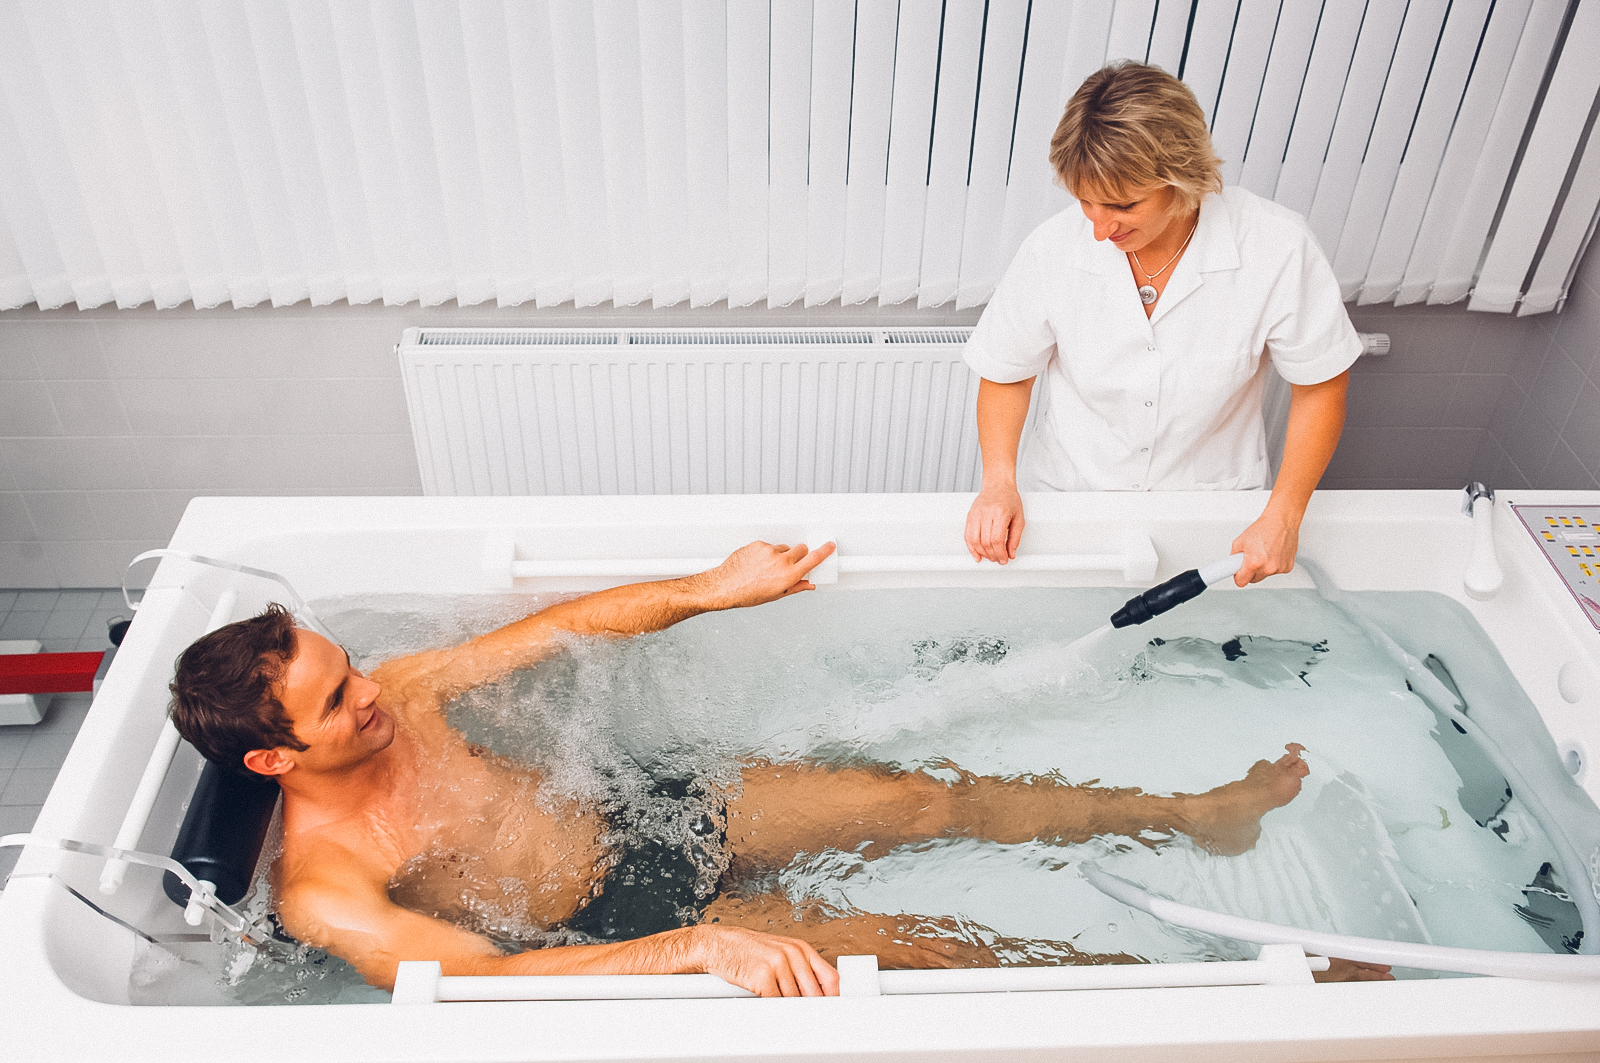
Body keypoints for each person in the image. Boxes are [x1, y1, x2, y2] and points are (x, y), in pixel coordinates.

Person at [168, 539, 1388, 995]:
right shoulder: (328, 888)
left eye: (353, 666)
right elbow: (489, 983)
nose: (375, 687)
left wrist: (712, 588)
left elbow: (561, 632)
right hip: (625, 917)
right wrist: (696, 945)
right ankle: (1228, 994)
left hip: (646, 809)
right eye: (340, 698)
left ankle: (1200, 816)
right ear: (276, 755)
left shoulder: (405, 689)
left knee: (924, 795)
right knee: (924, 945)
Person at [964, 62, 1360, 586]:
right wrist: (998, 483)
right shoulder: (1052, 248)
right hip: (1070, 497)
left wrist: (1284, 514)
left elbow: (1321, 384)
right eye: (1086, 201)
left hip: (1212, 508)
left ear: (1182, 177)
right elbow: (1008, 373)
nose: (1101, 229)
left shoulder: (1276, 245)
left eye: (1123, 205)